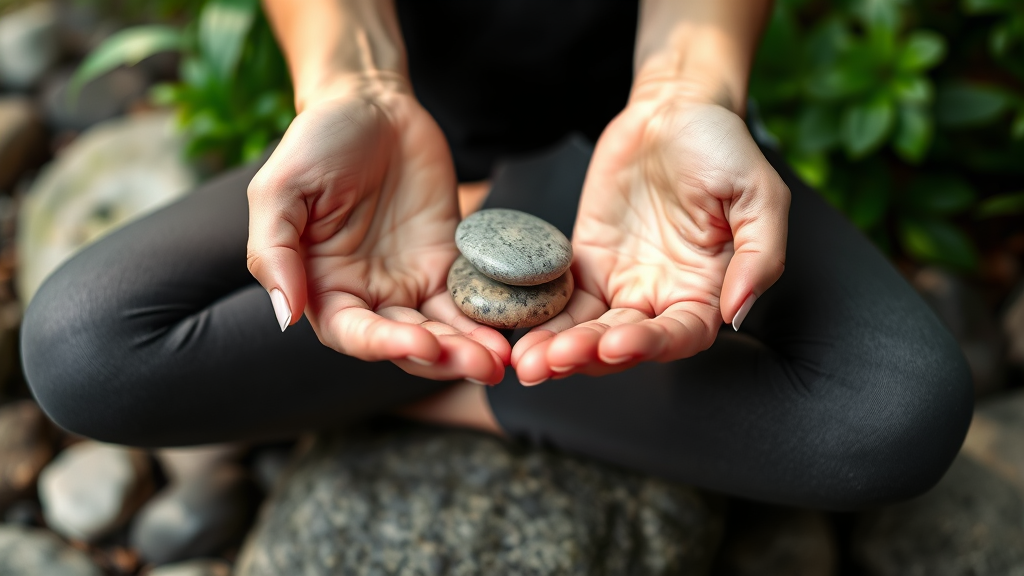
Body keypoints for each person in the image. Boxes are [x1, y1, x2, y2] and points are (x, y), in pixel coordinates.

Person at [21, 0, 973, 510]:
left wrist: (687, 93)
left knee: (896, 416)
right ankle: (518, 357)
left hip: (655, 171)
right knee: (80, 348)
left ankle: (405, 368)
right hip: (394, 162)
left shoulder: (665, 151)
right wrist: (352, 87)